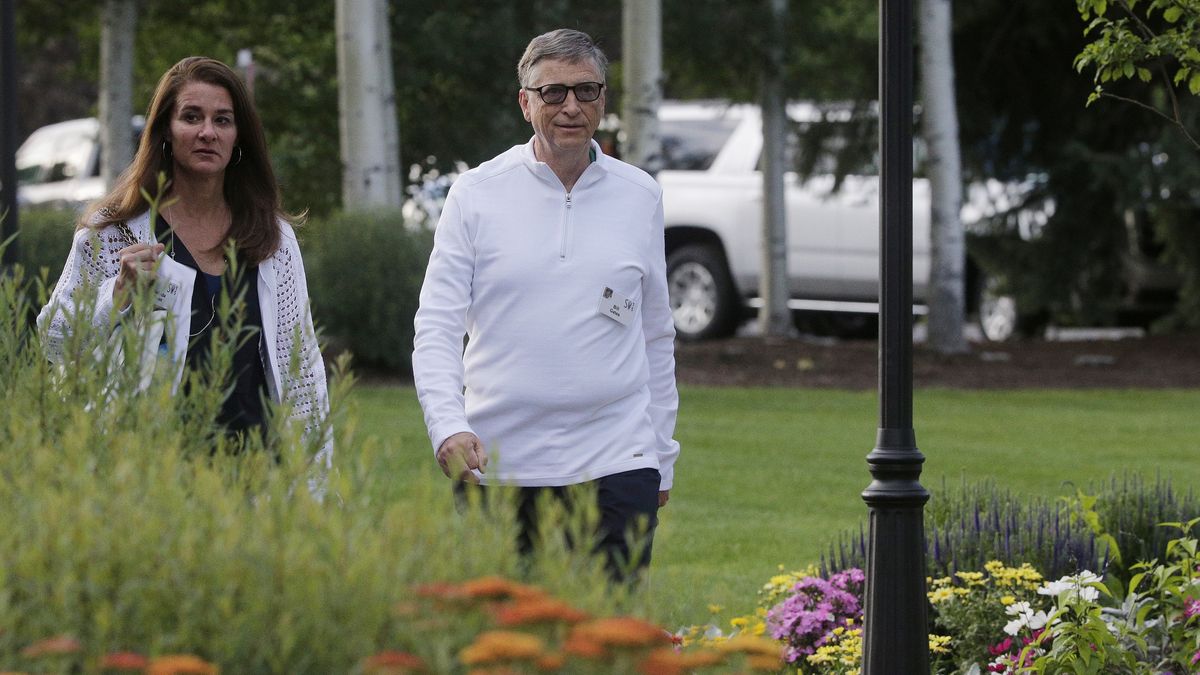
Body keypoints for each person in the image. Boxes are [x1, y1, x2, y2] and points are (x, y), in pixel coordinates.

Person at [412, 29, 680, 579]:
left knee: (609, 637)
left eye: (586, 90)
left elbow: (655, 332)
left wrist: (660, 455)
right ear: (525, 102)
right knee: (510, 642)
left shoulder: (640, 195)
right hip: (502, 459)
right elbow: (437, 325)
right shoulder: (476, 194)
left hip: (619, 457)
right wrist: (446, 425)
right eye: (552, 93)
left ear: (604, 99)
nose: (571, 107)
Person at [37, 56, 330, 483]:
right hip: (146, 477)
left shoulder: (273, 240)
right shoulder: (113, 232)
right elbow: (55, 340)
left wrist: (313, 481)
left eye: (223, 120)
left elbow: (301, 368)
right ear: (165, 134)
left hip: (254, 477)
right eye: (191, 117)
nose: (207, 132)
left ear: (238, 137)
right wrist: (116, 294)